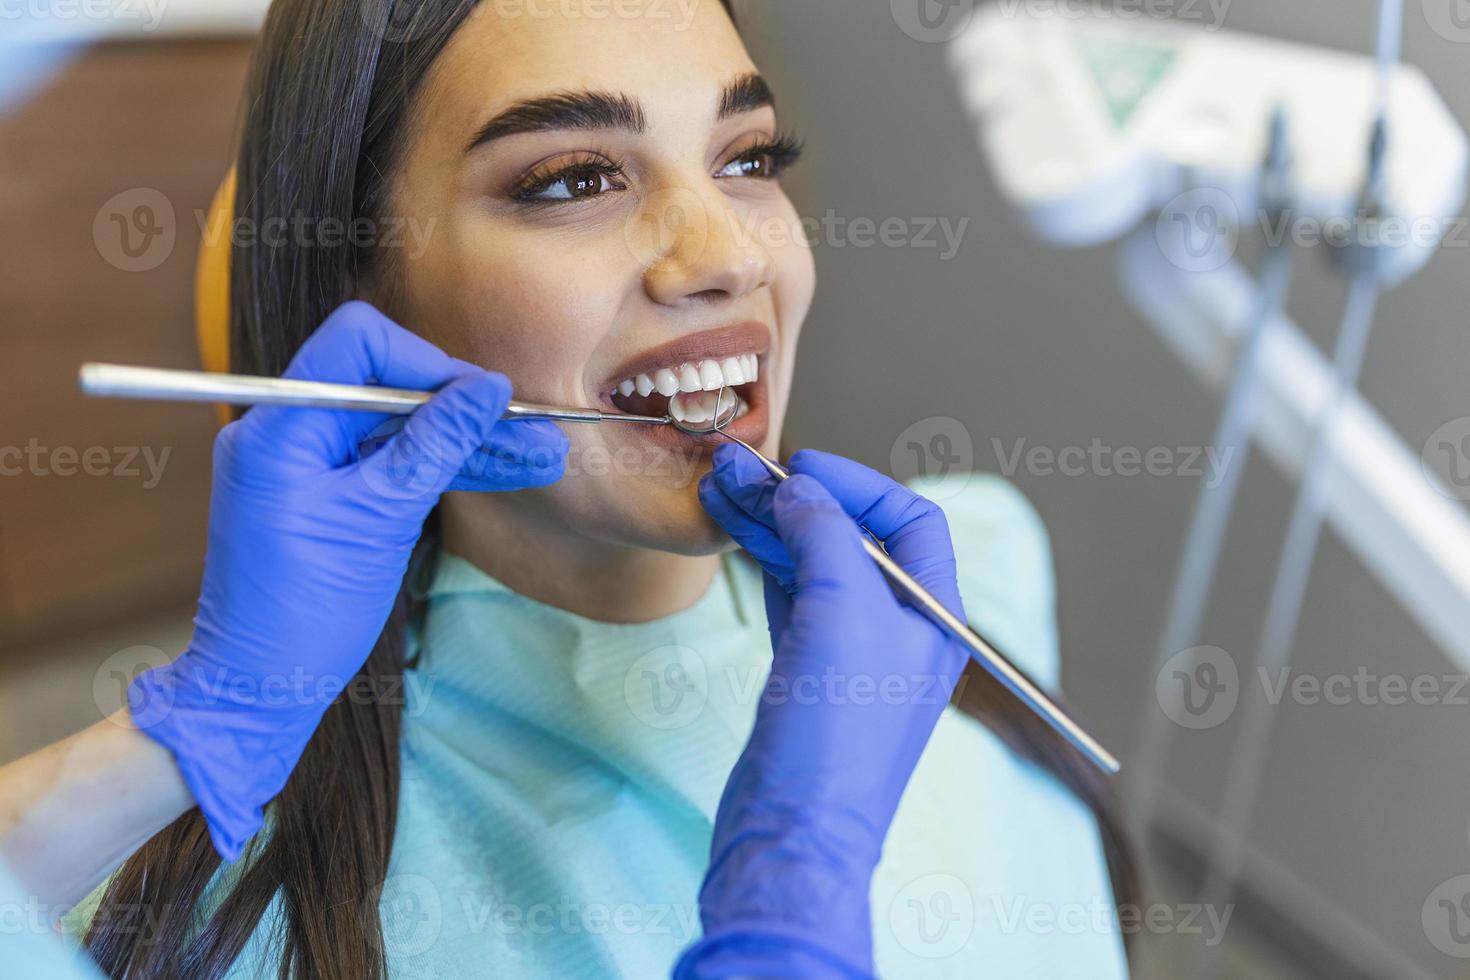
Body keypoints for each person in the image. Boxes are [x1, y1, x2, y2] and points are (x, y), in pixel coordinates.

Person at [0, 2, 1133, 976]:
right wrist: (195, 732)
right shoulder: (250, 922)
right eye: (573, 178)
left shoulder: (978, 562)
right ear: (367, 298)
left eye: (747, 157)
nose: (726, 255)